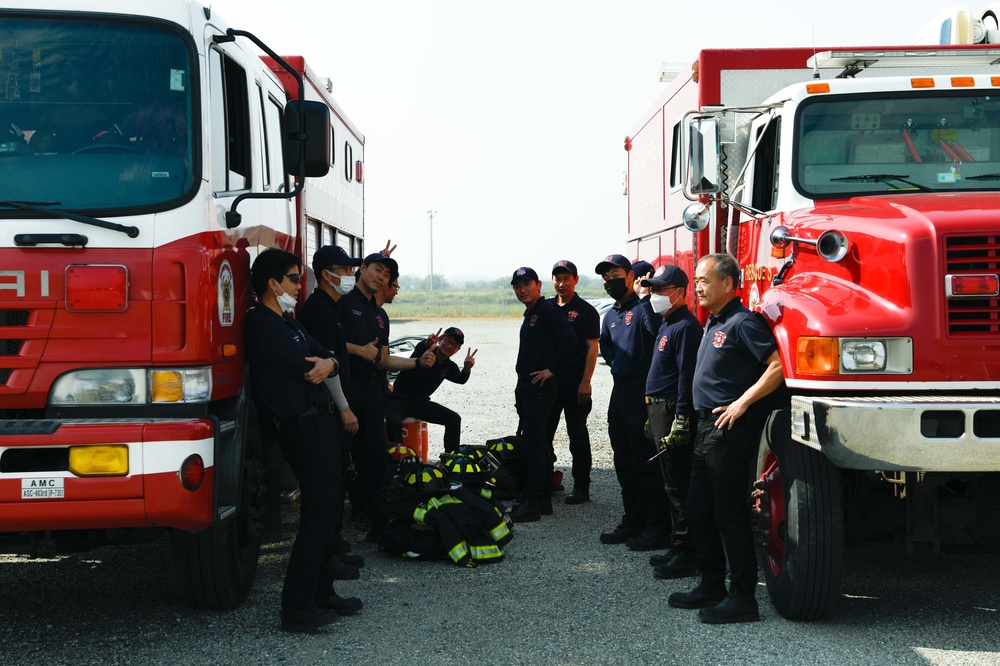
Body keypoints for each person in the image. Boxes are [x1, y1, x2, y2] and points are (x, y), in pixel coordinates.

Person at [245, 248, 362, 633]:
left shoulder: (290, 322)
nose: (299, 284)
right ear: (272, 283)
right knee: (316, 517)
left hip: (320, 424)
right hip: (301, 428)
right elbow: (307, 365)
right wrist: (326, 363)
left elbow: (326, 357)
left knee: (329, 513)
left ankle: (322, 592)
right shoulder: (262, 324)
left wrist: (329, 363)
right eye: (294, 278)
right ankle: (296, 607)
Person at [667, 253, 784, 624]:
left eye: (704, 280)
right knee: (698, 510)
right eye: (696, 280)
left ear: (729, 284)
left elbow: (778, 366)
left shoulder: (741, 322)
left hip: (727, 430)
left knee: (728, 513)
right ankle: (712, 584)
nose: (697, 286)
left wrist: (741, 403)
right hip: (705, 429)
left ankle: (743, 598)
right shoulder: (712, 322)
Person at [338, 251, 435, 542]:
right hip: (344, 387)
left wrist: (418, 363)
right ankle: (335, 535)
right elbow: (325, 343)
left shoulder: (379, 315)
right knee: (341, 461)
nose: (382, 278)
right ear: (362, 269)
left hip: (371, 391)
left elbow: (383, 360)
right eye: (377, 271)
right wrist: (357, 351)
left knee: (376, 460)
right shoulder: (342, 304)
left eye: (387, 275)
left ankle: (378, 525)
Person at [595, 254, 672, 552]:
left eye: (615, 274)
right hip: (620, 392)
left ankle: (658, 527)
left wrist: (644, 299)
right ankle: (633, 520)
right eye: (605, 277)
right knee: (623, 462)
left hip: (644, 394)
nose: (609, 280)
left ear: (629, 276)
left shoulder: (643, 308)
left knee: (645, 464)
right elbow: (606, 346)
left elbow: (658, 336)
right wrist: (619, 365)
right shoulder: (611, 314)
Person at [298, 244, 365, 575]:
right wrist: (344, 408)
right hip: (327, 408)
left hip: (334, 405)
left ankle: (333, 546)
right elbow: (325, 365)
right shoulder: (320, 310)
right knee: (330, 482)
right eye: (345, 270)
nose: (350, 275)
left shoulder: (331, 305)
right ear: (326, 274)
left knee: (338, 477)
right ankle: (329, 551)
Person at [639, 265, 702, 579]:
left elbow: (685, 377)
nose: (655, 295)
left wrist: (680, 419)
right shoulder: (668, 323)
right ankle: (679, 546)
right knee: (669, 481)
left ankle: (689, 553)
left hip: (672, 408)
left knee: (679, 484)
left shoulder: (686, 327)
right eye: (652, 289)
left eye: (661, 289)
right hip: (659, 409)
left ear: (680, 291)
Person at [510, 266, 577, 521]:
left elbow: (569, 339)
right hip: (527, 386)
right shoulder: (532, 313)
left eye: (527, 284)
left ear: (539, 285)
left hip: (540, 387)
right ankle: (542, 498)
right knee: (538, 443)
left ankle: (531, 503)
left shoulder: (546, 310)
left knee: (534, 445)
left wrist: (552, 370)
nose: (522, 290)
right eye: (518, 286)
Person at [544, 260, 600, 505]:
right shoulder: (545, 307)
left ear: (575, 280)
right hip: (549, 383)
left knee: (577, 435)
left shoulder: (586, 311)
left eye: (567, 278)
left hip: (575, 382)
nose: (561, 283)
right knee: (544, 434)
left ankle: (581, 486)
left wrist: (586, 382)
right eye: (557, 278)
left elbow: (592, 348)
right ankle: (546, 481)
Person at [386, 326, 477, 453]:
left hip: (420, 403)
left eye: (454, 345)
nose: (449, 346)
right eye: (447, 341)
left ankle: (451, 457)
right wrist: (427, 343)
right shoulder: (426, 351)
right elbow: (420, 348)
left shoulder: (449, 366)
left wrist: (467, 368)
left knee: (454, 419)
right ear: (440, 340)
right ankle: (399, 460)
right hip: (399, 399)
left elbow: (461, 379)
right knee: (393, 422)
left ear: (457, 350)